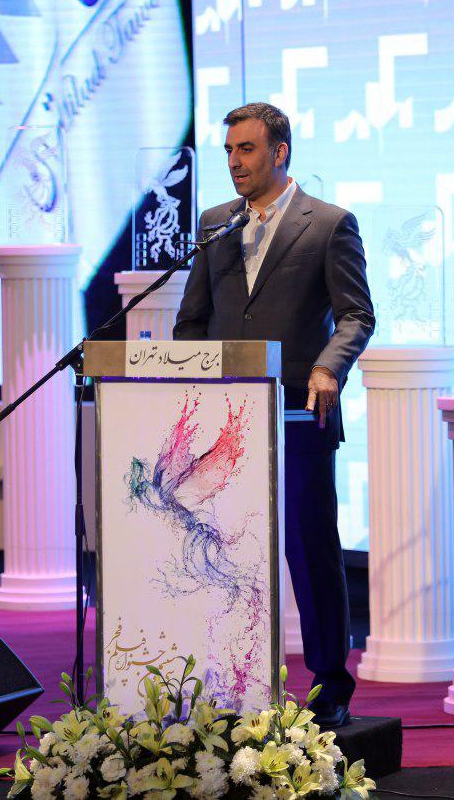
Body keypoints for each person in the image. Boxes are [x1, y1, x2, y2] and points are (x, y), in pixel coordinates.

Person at [174, 102, 375, 728]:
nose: (234, 163)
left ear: (280, 151)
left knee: (310, 550)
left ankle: (330, 681)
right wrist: (190, 390)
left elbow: (357, 315)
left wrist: (328, 367)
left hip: (297, 414)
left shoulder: (329, 225)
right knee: (219, 548)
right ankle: (223, 677)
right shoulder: (215, 224)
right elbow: (192, 321)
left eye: (247, 149)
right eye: (229, 151)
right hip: (225, 420)